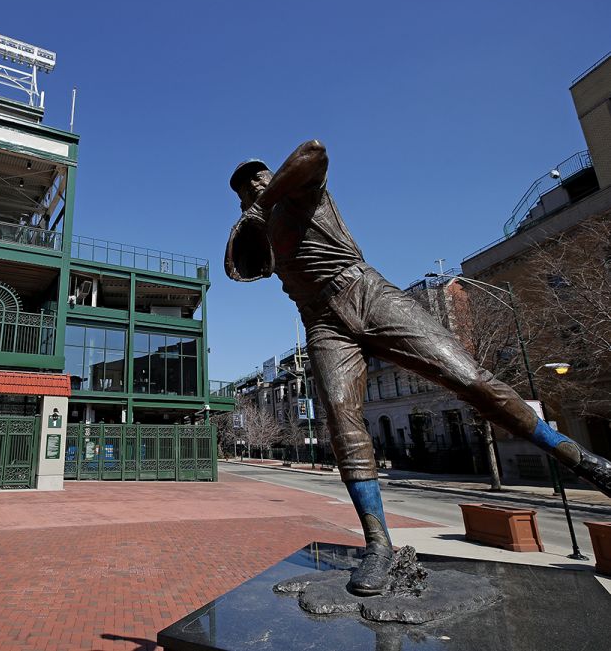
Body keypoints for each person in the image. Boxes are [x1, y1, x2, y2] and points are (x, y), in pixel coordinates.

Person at [225, 139, 611, 595]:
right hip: (322, 322)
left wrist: (266, 200)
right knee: (343, 422)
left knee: (470, 380)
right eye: (245, 186)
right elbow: (241, 269)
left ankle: (584, 461)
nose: (254, 184)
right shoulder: (260, 230)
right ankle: (378, 545)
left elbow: (315, 151)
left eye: (259, 175)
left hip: (366, 292)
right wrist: (251, 219)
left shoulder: (301, 192)